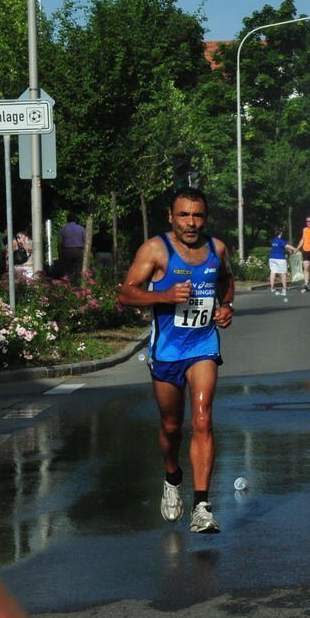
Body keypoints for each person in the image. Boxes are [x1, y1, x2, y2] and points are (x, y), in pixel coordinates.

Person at [117, 187, 234, 534]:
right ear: (171, 216)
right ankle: (172, 476)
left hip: (202, 345)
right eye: (184, 215)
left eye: (197, 215)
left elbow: (226, 281)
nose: (191, 222)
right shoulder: (156, 249)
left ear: (205, 217)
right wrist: (164, 295)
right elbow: (125, 293)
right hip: (167, 350)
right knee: (171, 426)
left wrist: (226, 307)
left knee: (202, 418)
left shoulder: (217, 249)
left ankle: (202, 506)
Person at [268, 228, 296, 295]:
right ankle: (284, 287)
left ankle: (272, 288)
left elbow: (281, 247)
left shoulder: (273, 241)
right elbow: (287, 246)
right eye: (281, 233)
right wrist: (296, 249)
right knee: (283, 273)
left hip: (272, 258)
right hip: (280, 258)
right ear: (280, 234)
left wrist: (287, 250)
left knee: (273, 272)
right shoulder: (280, 241)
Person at [59, 214, 86, 284]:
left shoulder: (63, 229)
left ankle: (68, 285)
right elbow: (85, 240)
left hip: (67, 250)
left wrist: (60, 253)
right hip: (78, 250)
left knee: (67, 270)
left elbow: (60, 243)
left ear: (67, 220)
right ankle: (77, 284)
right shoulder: (81, 228)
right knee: (78, 269)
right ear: (75, 219)